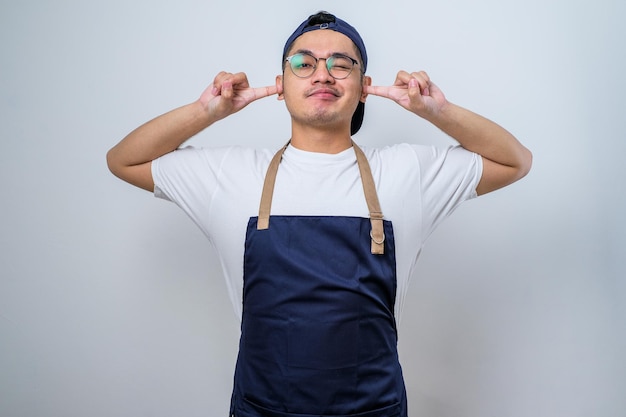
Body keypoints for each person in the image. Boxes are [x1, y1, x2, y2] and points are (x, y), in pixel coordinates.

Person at [107, 11, 531, 417]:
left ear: (364, 87)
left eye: (340, 64)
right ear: (280, 84)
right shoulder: (230, 176)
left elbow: (515, 162)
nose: (323, 74)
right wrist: (207, 111)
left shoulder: (407, 173)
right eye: (303, 63)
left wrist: (435, 111)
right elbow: (123, 160)